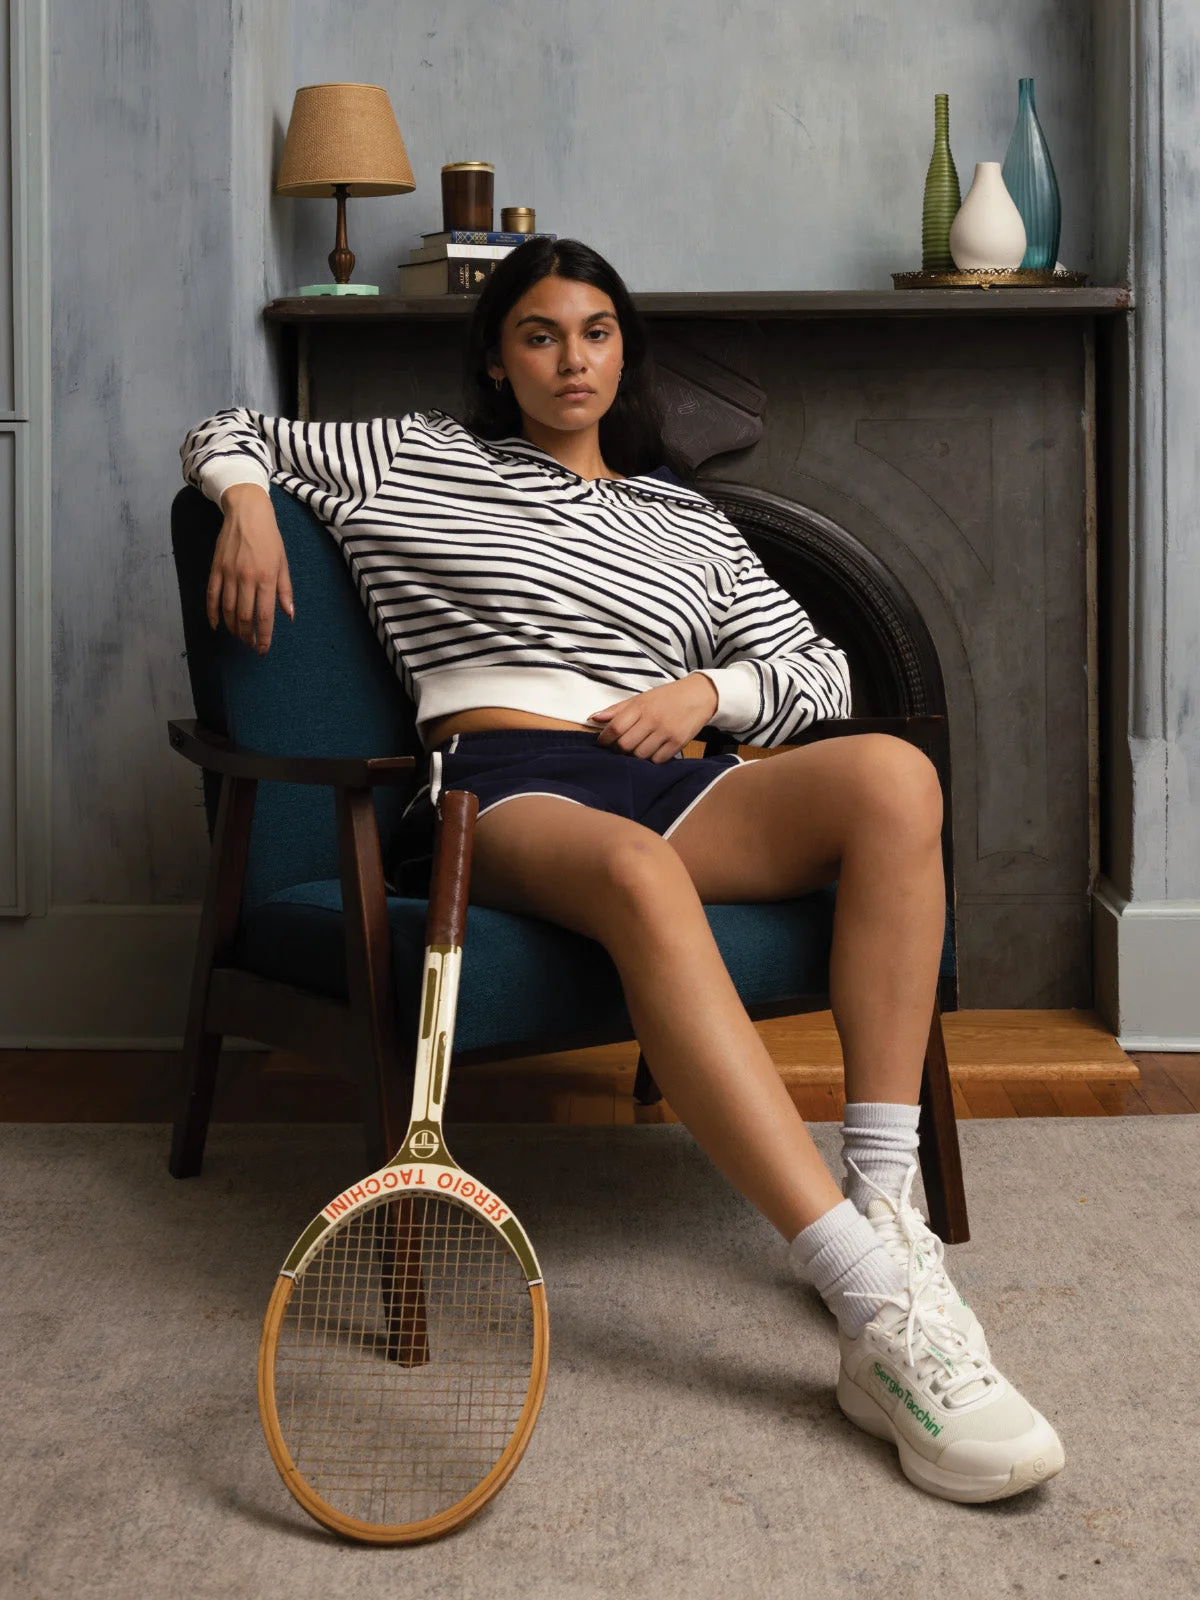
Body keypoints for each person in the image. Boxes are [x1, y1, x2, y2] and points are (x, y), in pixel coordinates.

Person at [180, 237, 1064, 1504]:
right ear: (500, 358)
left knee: (894, 778)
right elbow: (225, 427)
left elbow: (819, 670)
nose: (572, 358)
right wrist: (248, 503)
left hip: (667, 771)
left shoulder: (685, 516)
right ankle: (873, 1305)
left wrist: (707, 692)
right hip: (502, 784)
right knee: (641, 874)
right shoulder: (415, 456)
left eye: (596, 332)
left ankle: (887, 1205)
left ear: (624, 352)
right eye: (540, 334)